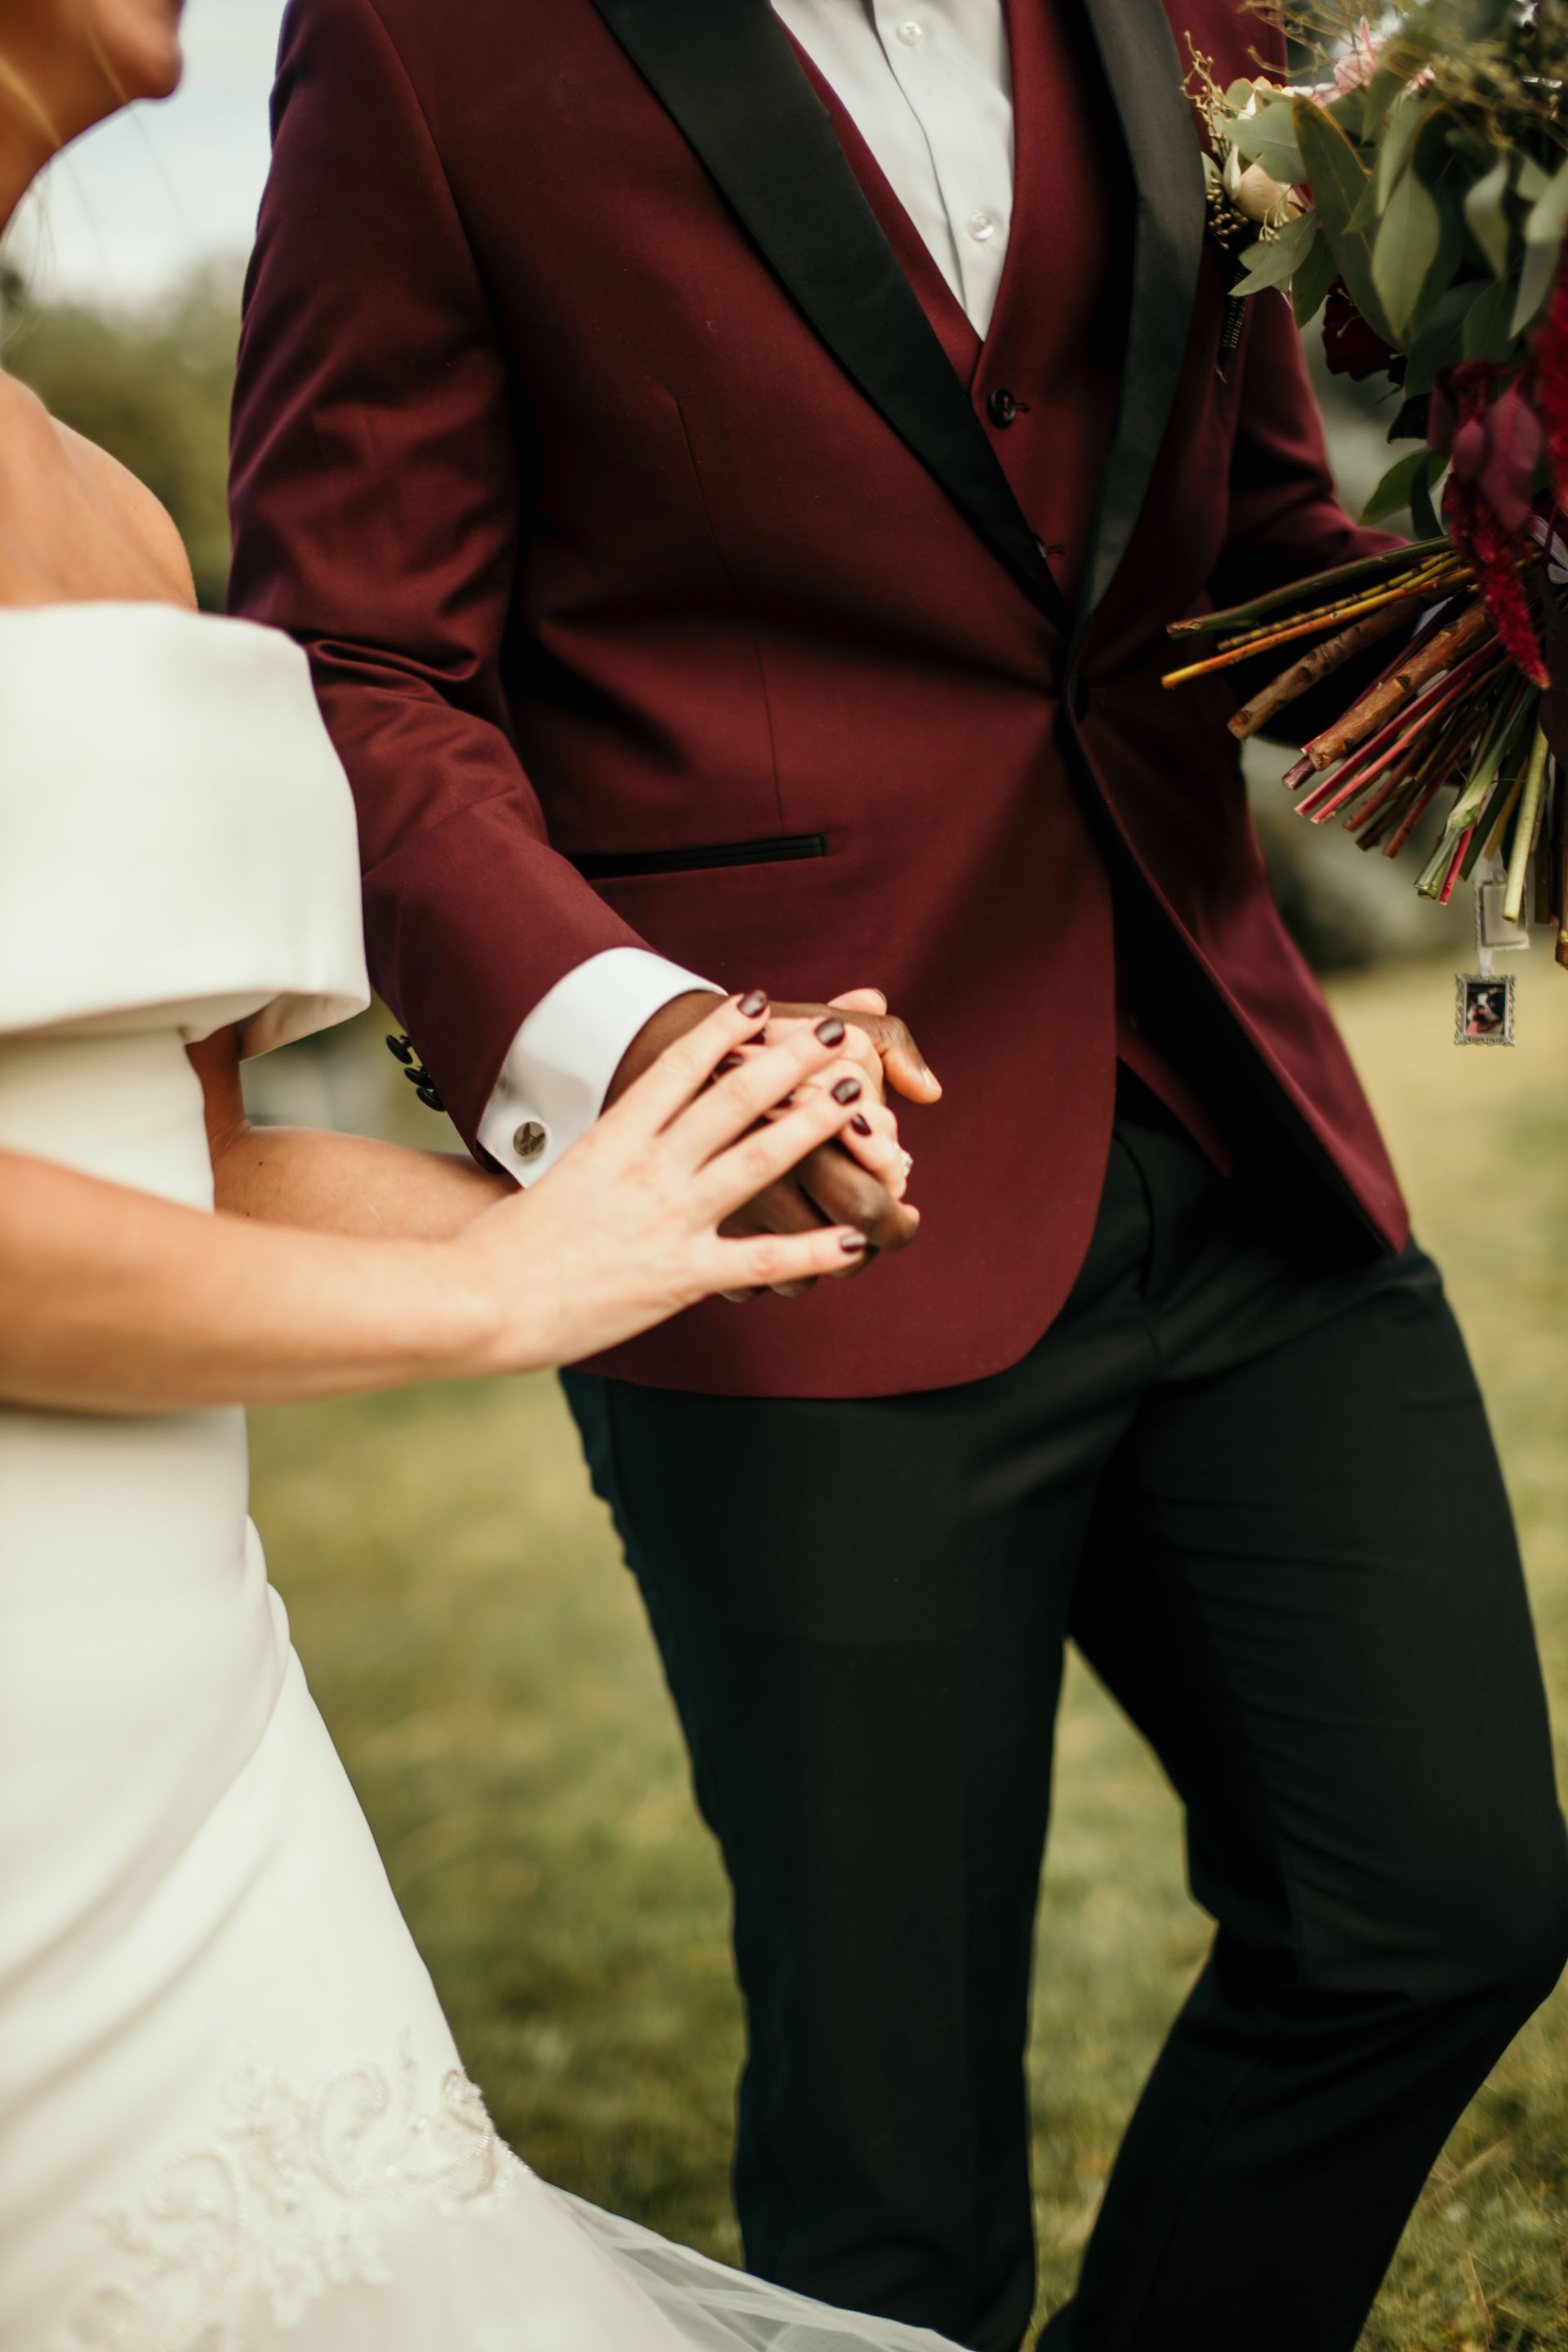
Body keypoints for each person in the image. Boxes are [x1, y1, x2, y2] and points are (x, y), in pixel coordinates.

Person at [229, 1, 1568, 2349]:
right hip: (792, 1202)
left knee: (1446, 1902)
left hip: (1237, 1130)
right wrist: (652, 1049)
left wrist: (1514, 603)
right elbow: (357, 661)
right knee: (892, 2171)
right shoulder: (434, 44)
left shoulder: (1201, 22)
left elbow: (1250, 549)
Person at [0, 5, 972, 2345]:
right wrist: (501, 1295)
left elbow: (182, 1165)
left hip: (188, 1753)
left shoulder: (97, 506)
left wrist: (684, 1188)